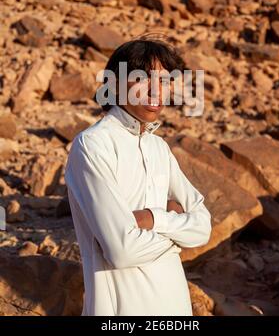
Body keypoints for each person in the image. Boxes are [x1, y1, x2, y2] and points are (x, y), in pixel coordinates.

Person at [64, 35, 212, 316]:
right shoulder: (93, 144)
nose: (156, 92)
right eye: (143, 79)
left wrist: (154, 218)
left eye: (165, 82)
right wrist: (180, 235)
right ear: (117, 84)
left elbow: (204, 227)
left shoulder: (159, 147)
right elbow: (122, 251)